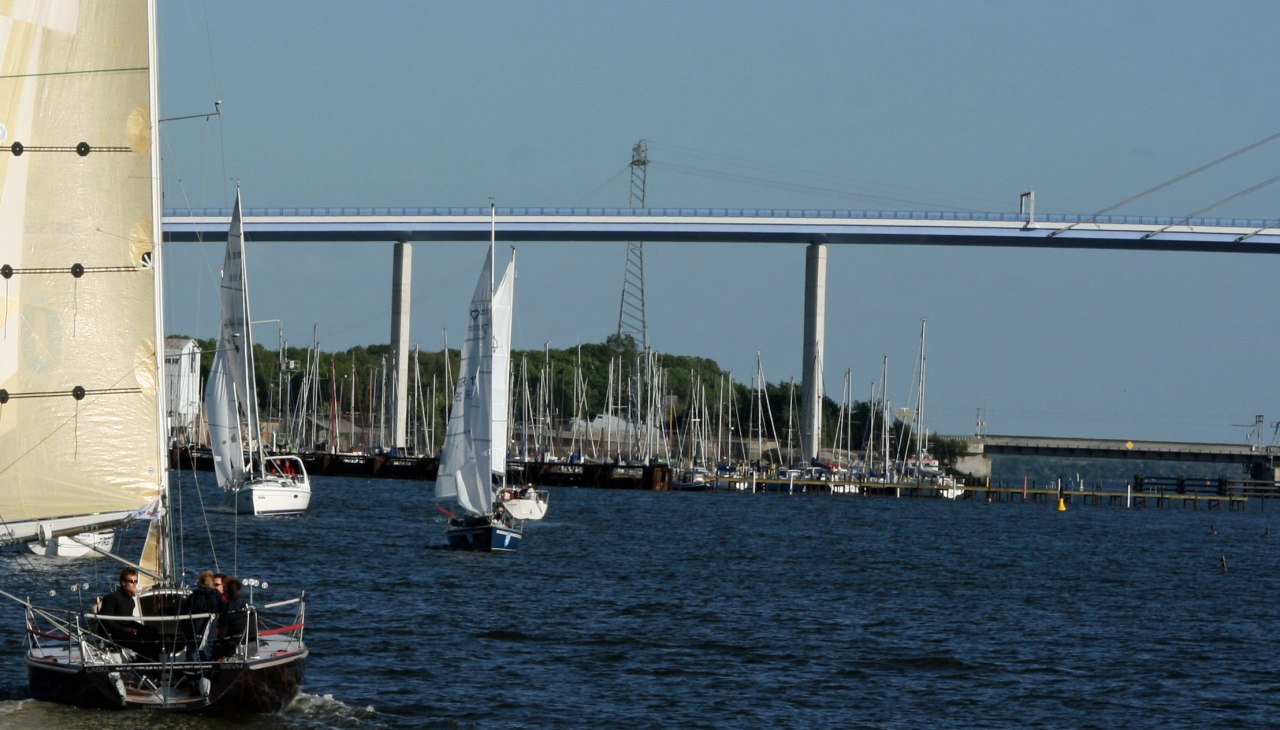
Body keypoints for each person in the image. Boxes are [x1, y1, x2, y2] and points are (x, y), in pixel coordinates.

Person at [97, 568, 156, 660]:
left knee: (152, 635)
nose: (134, 584)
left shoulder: (131, 601)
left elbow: (128, 620)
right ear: (123, 583)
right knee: (139, 641)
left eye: (136, 581)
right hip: (113, 633)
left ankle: (153, 663)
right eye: (131, 581)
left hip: (125, 630)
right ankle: (141, 664)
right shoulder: (111, 598)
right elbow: (105, 621)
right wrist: (124, 629)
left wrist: (143, 628)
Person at [179, 571, 222, 661]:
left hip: (193, 633)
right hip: (209, 633)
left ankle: (192, 673)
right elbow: (222, 612)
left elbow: (184, 615)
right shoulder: (216, 596)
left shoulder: (193, 597)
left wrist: (185, 633)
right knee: (208, 659)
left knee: (192, 660)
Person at [214, 578, 253, 660]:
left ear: (227, 591)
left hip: (232, 646)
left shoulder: (228, 608)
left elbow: (222, 634)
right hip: (249, 643)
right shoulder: (248, 607)